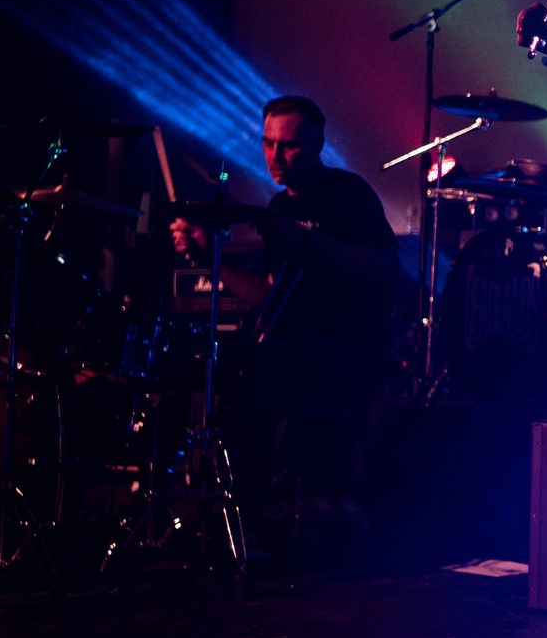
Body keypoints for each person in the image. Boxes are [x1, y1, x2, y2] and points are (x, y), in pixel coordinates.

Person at [171, 95, 401, 536]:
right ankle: (219, 504)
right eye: (268, 143)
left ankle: (258, 508)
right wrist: (209, 259)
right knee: (207, 361)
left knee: (256, 370)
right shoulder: (279, 208)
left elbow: (388, 270)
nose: (276, 156)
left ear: (317, 145)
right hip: (292, 346)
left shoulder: (348, 195)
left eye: (290, 145)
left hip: (347, 348)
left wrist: (308, 244)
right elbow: (267, 293)